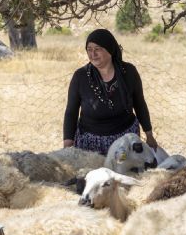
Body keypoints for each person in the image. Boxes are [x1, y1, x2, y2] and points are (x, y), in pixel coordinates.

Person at [63, 28, 158, 156]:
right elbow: (71, 112)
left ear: (109, 49)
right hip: (91, 145)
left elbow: (139, 103)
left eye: (97, 49)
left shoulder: (129, 72)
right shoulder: (80, 76)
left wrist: (149, 135)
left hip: (125, 141)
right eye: (89, 49)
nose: (93, 54)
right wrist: (68, 145)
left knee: (127, 176)